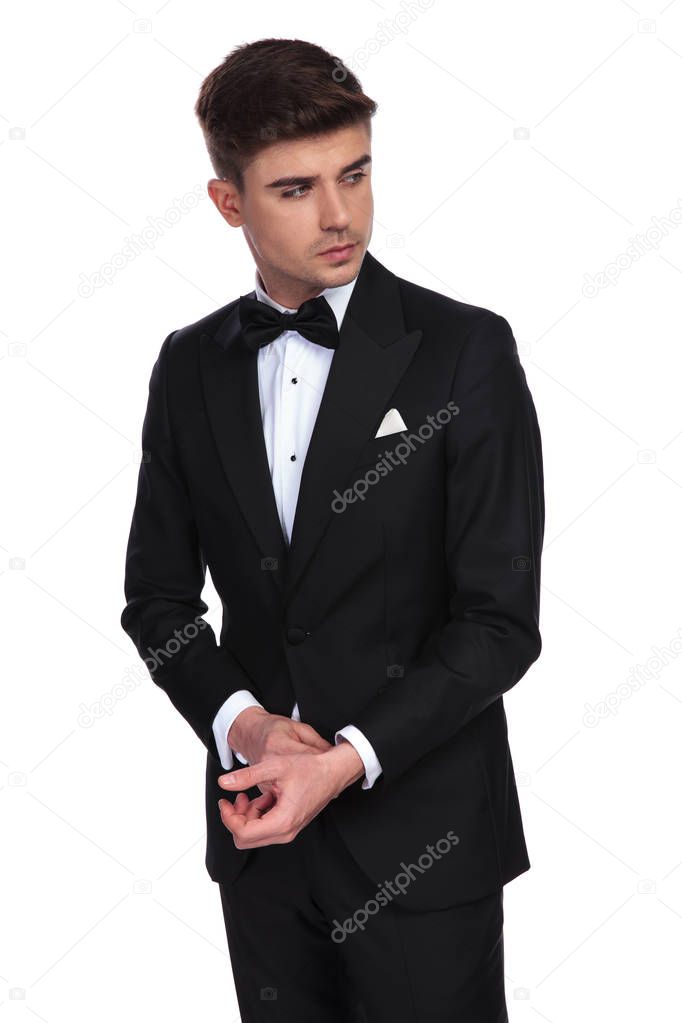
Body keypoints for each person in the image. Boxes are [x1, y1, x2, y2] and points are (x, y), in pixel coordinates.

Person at [121, 36, 545, 1022]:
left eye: (354, 174)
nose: (339, 213)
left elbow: (497, 624)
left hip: (426, 845)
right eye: (295, 187)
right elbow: (159, 604)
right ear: (229, 201)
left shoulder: (464, 351)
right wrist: (246, 725)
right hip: (264, 845)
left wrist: (343, 758)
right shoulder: (188, 367)